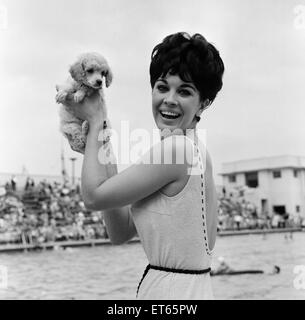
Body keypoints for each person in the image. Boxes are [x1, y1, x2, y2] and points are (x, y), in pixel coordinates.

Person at [62, 32, 224, 299]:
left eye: (184, 91)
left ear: (203, 103)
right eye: (162, 87)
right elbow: (120, 230)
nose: (169, 99)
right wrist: (99, 131)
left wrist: (95, 120)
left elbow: (92, 197)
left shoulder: (177, 150)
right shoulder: (193, 150)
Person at [211, 257, 280, 276]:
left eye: (274, 269)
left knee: (262, 272)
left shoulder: (223, 267)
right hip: (231, 272)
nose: (273, 269)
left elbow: (217, 271)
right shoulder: (224, 266)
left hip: (231, 272)